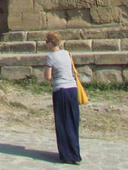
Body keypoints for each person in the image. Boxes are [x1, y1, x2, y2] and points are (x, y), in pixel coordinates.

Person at [44, 32, 82, 165]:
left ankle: (67, 154)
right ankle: (75, 153)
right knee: (72, 121)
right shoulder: (67, 53)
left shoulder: (50, 57)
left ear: (50, 43)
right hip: (72, 90)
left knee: (62, 122)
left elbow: (48, 77)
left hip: (61, 91)